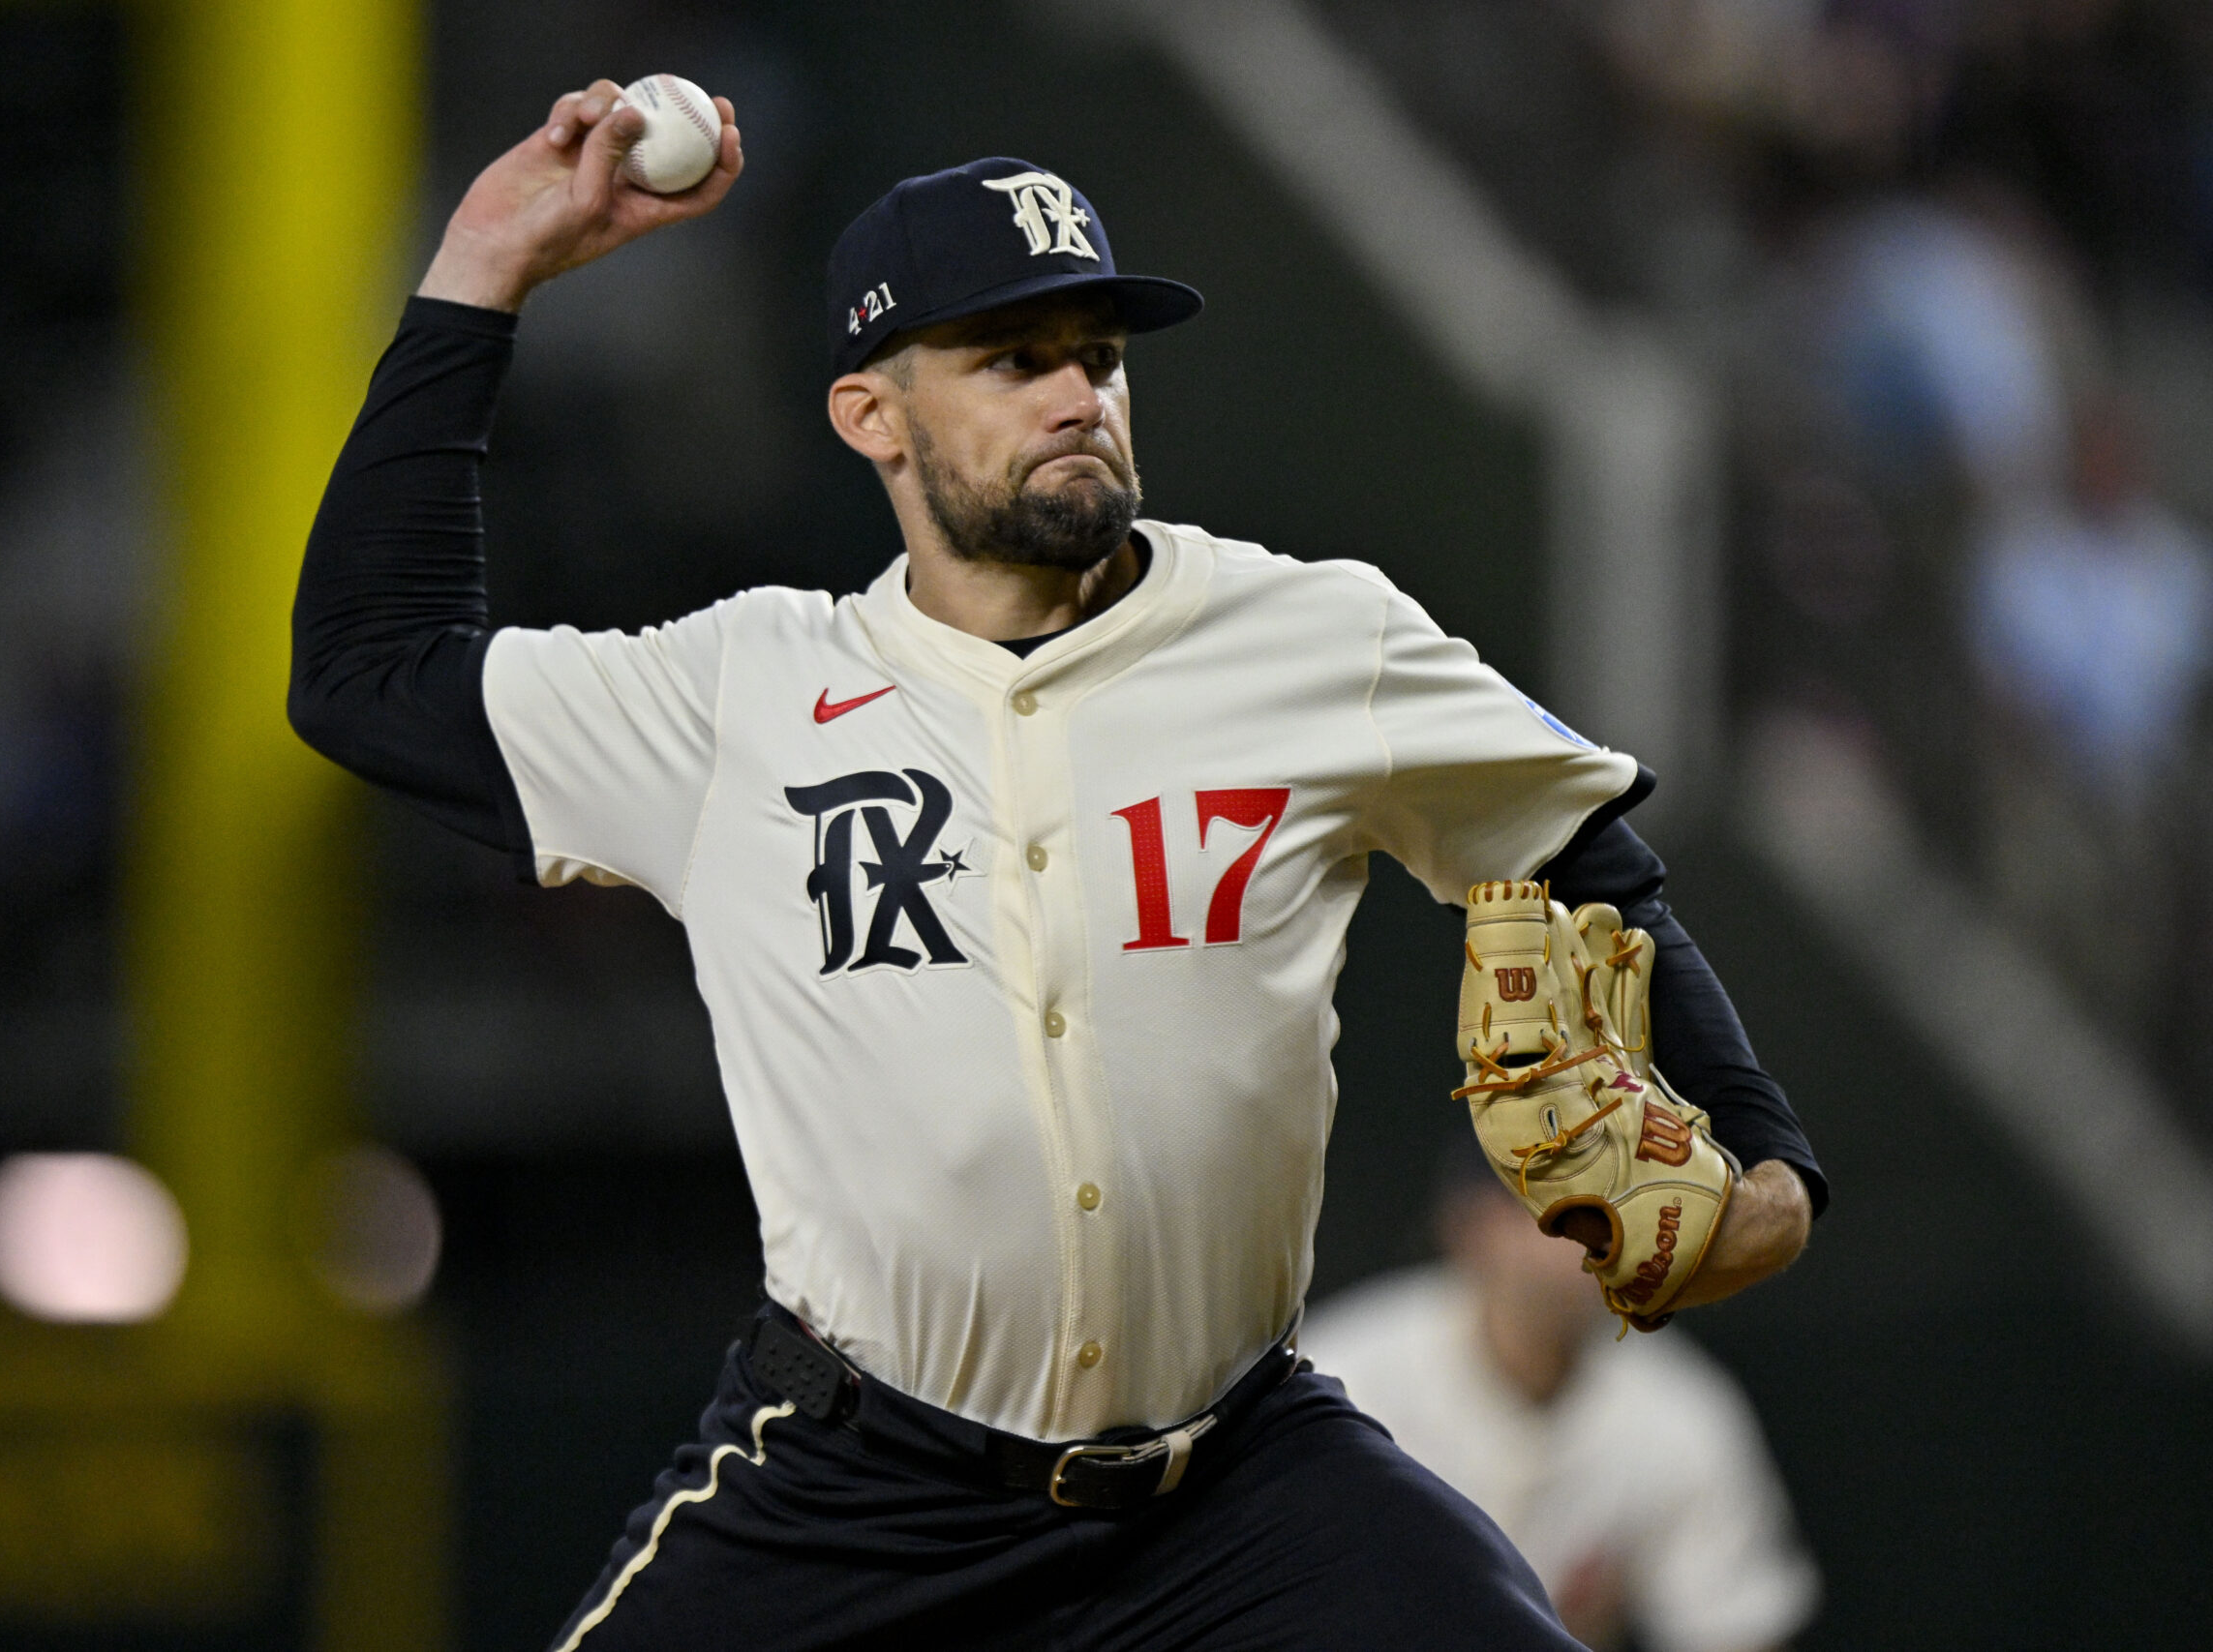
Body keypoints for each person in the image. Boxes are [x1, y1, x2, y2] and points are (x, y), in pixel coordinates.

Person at [288, 80, 1827, 1652]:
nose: (1079, 394)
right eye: (1013, 359)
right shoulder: (732, 698)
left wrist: (1768, 1159)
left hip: (1239, 1490)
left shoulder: (1314, 637)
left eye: (1098, 355)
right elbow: (366, 670)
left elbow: (1582, 859)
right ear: (870, 414)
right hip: (860, 1494)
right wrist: (480, 267)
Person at [1302, 1144, 1820, 1652]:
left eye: (1619, 1206)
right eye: (1567, 1209)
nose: (1601, 1238)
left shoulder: (1677, 1412)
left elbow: (1736, 1631)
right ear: (1473, 1226)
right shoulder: (1346, 1378)